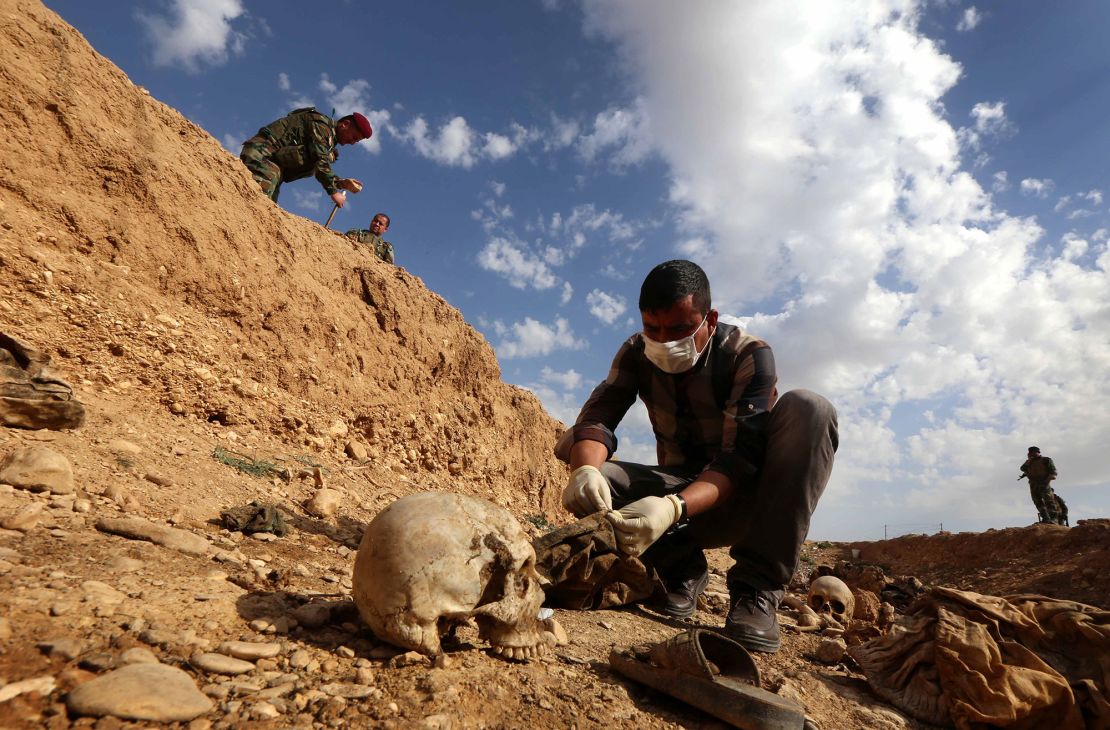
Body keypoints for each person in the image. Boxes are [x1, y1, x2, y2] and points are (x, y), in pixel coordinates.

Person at [555, 259, 838, 654]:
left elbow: (737, 460)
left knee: (810, 408)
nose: (664, 341)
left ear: (710, 318)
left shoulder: (748, 355)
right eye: (653, 329)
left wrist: (672, 507)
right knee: (601, 478)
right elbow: (600, 416)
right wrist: (585, 470)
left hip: (744, 499)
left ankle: (757, 589)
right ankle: (680, 565)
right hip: (681, 494)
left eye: (679, 330)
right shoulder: (636, 353)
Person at [240, 107, 371, 205]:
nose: (352, 143)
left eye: (356, 141)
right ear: (345, 124)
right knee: (258, 203)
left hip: (274, 165)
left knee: (269, 207)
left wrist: (341, 183)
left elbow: (321, 160)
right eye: (353, 137)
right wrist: (334, 192)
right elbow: (320, 160)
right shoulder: (321, 126)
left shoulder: (329, 141)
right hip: (262, 154)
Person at [1019, 446, 1060, 524]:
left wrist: (1047, 481)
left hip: (1044, 482)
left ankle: (1054, 519)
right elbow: (1022, 468)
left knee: (1049, 501)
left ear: (1038, 452)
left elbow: (1053, 471)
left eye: (1034, 452)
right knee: (1037, 501)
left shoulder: (1046, 460)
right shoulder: (1029, 462)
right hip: (1033, 484)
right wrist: (1029, 460)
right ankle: (1046, 518)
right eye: (1030, 453)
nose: (1032, 454)